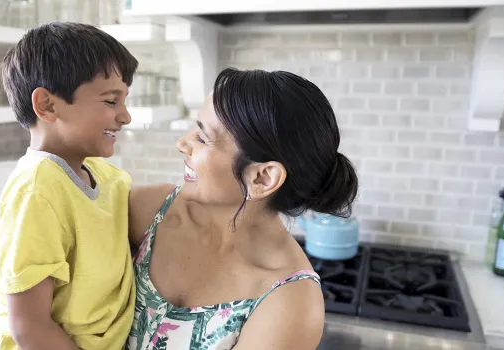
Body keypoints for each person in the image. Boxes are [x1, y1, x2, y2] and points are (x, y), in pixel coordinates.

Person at [127, 68, 359, 349]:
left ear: (262, 178)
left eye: (202, 138)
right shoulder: (148, 211)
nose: (182, 144)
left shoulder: (290, 300)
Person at [0, 22, 139, 350]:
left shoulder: (98, 172)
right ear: (48, 106)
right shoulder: (37, 191)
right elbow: (30, 329)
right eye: (111, 101)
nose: (125, 116)